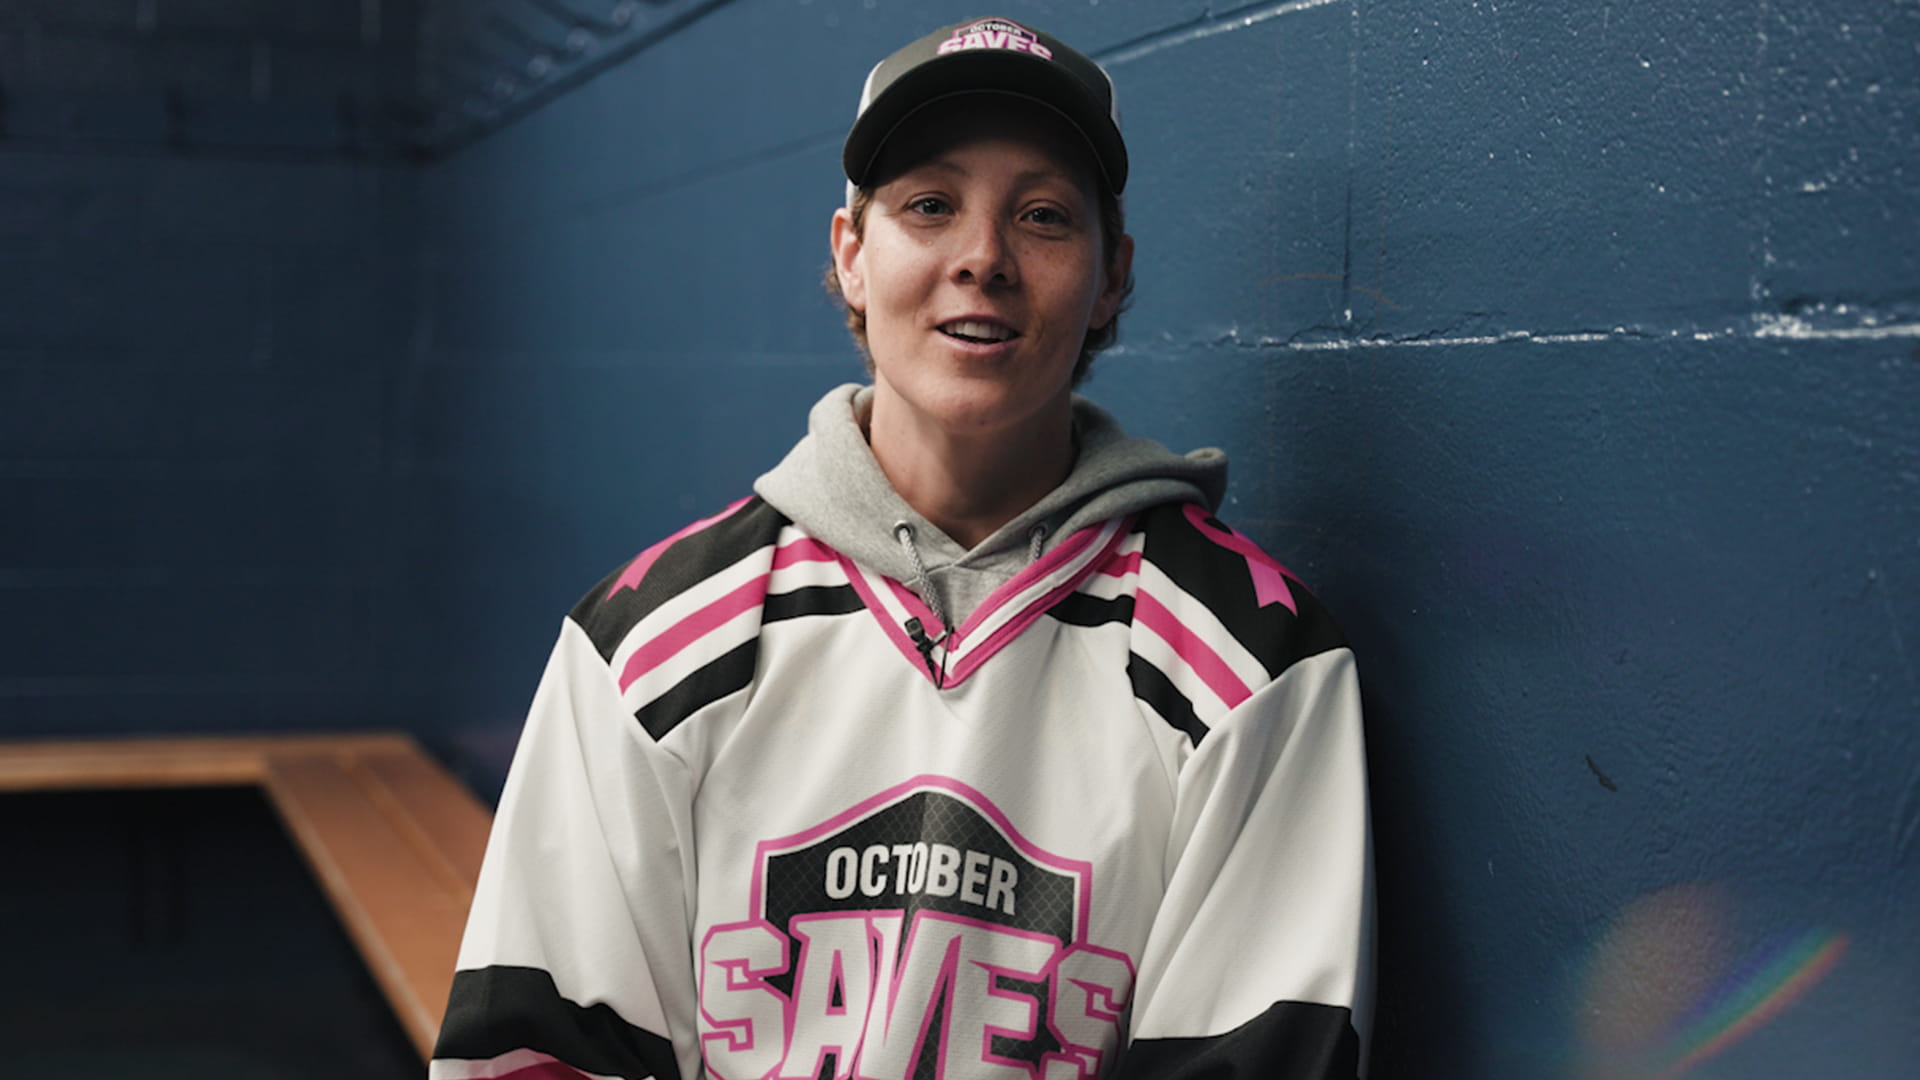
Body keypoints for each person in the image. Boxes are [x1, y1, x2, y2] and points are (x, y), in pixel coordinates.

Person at [429, 16, 1371, 1080]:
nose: (983, 259)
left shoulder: (1254, 662)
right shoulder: (647, 645)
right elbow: (535, 1057)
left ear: (1111, 278)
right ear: (852, 255)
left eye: (1045, 216)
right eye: (930, 206)